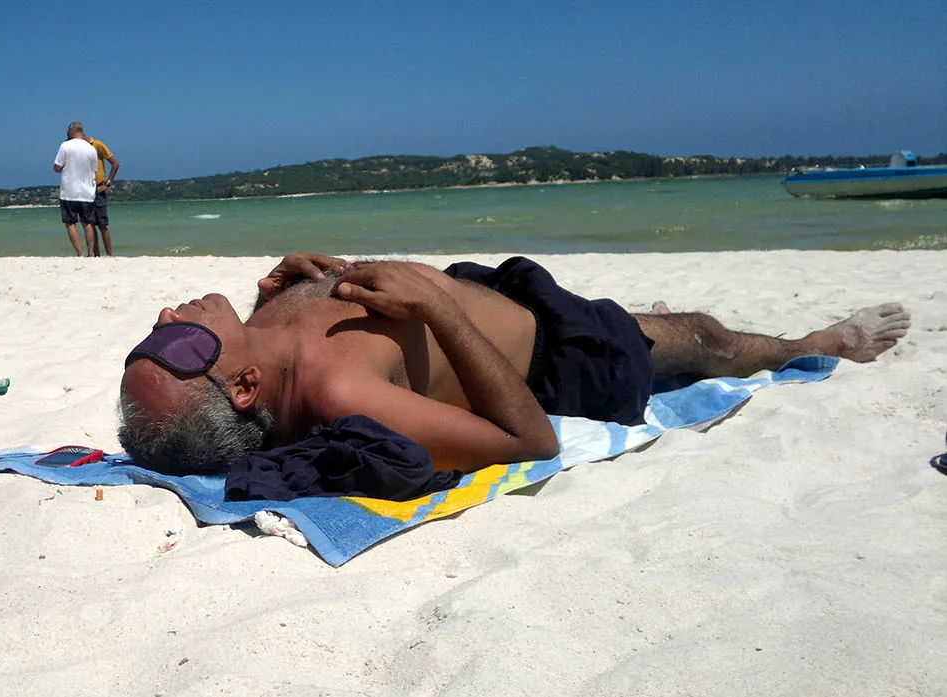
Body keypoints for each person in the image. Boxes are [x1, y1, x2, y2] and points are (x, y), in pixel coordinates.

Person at [118, 253, 912, 476]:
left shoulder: (255, 337)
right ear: (246, 388)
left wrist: (294, 290)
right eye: (172, 348)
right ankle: (822, 342)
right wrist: (439, 310)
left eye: (148, 339)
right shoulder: (339, 389)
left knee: (678, 327)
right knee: (701, 338)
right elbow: (529, 439)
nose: (165, 321)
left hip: (485, 289)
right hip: (556, 352)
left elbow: (329, 328)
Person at [53, 121, 99, 257]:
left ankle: (80, 253)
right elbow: (94, 170)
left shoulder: (65, 146)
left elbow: (57, 167)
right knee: (88, 223)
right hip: (87, 191)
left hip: (69, 191)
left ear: (71, 132)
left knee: (70, 223)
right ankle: (91, 253)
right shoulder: (91, 148)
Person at [86, 133, 120, 256]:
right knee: (90, 224)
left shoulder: (97, 144)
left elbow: (115, 164)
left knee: (102, 225)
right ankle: (96, 255)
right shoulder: (78, 148)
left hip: (98, 188)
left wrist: (107, 183)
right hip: (85, 189)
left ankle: (109, 255)